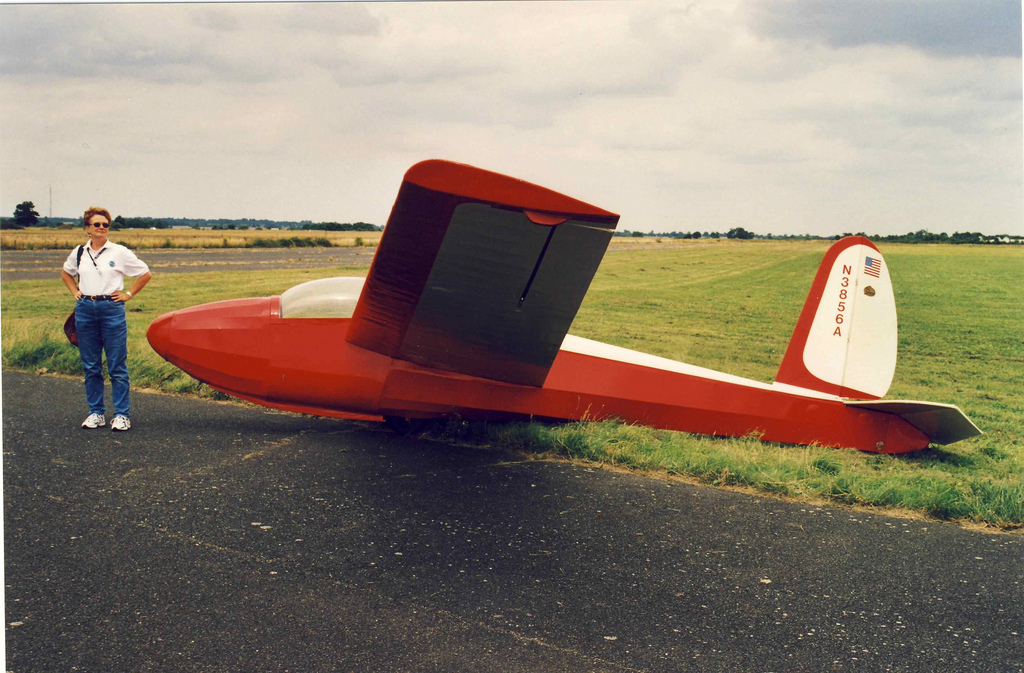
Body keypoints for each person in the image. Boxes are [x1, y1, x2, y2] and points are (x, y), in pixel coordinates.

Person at [61, 207, 152, 431]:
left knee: (117, 365)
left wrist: (128, 294)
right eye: (97, 224)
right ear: (87, 228)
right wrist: (75, 291)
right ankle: (96, 413)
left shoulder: (119, 252)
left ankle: (121, 415)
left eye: (105, 224)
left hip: (111, 309)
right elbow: (66, 273)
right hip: (85, 309)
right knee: (91, 365)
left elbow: (145, 273)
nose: (101, 227)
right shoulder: (79, 252)